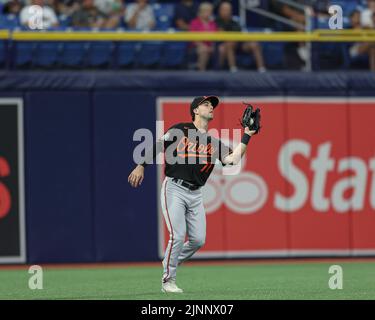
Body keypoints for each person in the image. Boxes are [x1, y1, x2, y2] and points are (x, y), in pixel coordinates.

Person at [128, 96, 258, 293]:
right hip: (174, 188)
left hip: (196, 194)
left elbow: (232, 160)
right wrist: (141, 165)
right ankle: (168, 281)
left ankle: (170, 261)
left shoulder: (213, 142)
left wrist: (247, 135)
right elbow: (158, 145)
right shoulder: (180, 129)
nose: (210, 107)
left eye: (212, 105)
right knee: (178, 235)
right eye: (206, 104)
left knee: (198, 240)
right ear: (195, 110)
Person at [215, 1, 266, 72]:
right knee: (229, 43)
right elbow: (220, 37)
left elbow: (242, 32)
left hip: (240, 43)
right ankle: (233, 68)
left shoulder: (235, 20)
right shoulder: (216, 21)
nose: (226, 12)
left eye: (228, 9)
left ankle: (262, 69)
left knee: (254, 44)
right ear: (220, 11)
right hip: (226, 44)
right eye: (224, 9)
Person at [189, 2, 217, 71]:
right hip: (196, 46)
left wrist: (212, 46)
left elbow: (216, 37)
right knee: (203, 50)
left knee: (219, 49)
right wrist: (202, 45)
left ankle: (218, 72)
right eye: (206, 11)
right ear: (201, 12)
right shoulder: (194, 22)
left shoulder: (213, 23)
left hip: (210, 46)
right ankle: (202, 72)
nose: (208, 13)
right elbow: (193, 38)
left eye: (210, 11)